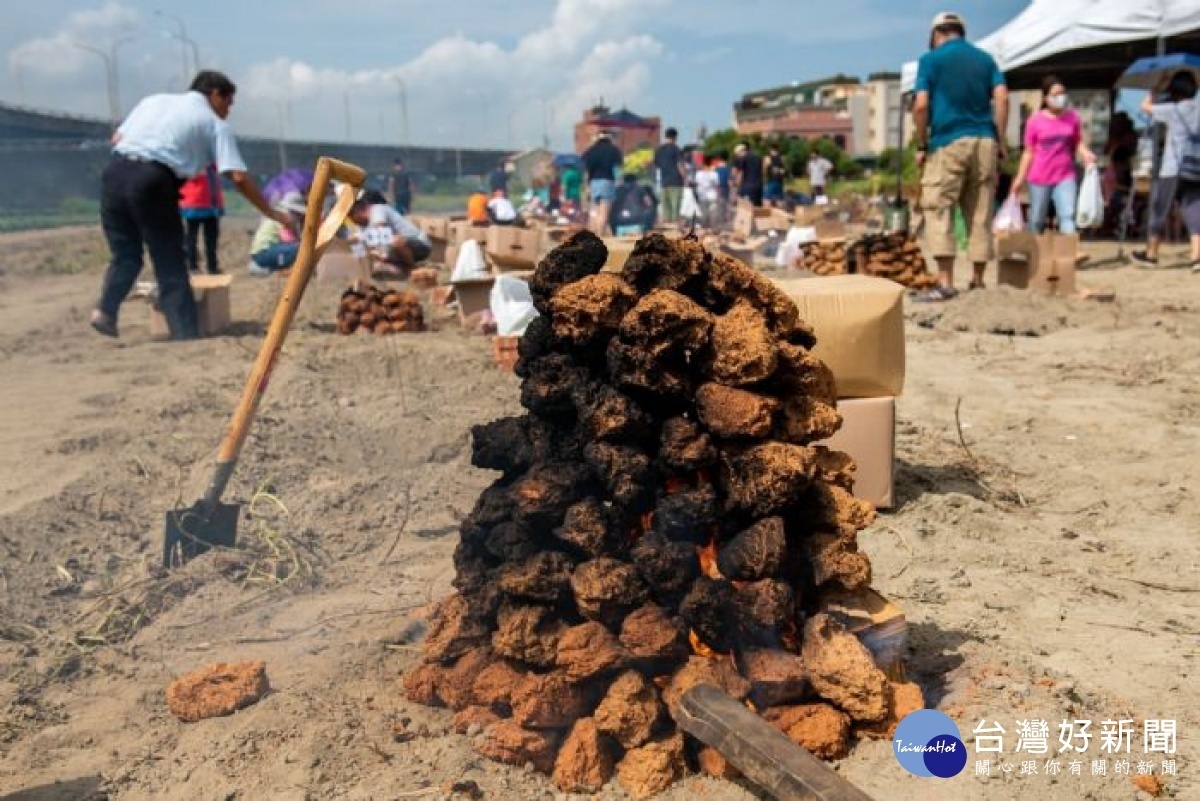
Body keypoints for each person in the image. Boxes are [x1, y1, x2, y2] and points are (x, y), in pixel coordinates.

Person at [91, 70, 290, 339]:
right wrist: (271, 212)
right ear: (215, 94)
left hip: (114, 174)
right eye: (228, 103)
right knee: (169, 259)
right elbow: (239, 176)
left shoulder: (153, 101)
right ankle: (184, 332)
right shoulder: (213, 123)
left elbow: (117, 139)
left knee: (125, 255)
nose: (227, 112)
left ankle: (105, 311)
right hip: (153, 180)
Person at [911, 11, 1008, 301]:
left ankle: (946, 281)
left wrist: (921, 143)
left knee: (939, 207)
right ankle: (977, 281)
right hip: (984, 140)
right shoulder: (985, 59)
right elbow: (1002, 97)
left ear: (936, 34)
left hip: (947, 140)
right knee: (979, 210)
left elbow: (920, 105)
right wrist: (1000, 141)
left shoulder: (931, 60)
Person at [1010, 76, 1096, 236]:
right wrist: (1020, 178)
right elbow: (1029, 152)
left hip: (1065, 176)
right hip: (1039, 177)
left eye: (1062, 93)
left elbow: (1077, 141)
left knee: (1067, 216)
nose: (1060, 98)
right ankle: (1033, 253)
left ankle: (1070, 253)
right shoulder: (1034, 121)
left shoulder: (1072, 118)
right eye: (1055, 94)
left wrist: (1085, 153)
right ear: (1045, 97)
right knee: (1036, 219)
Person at [1132, 70, 1200, 270]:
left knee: (1160, 209)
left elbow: (1145, 107)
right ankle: (1197, 255)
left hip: (1173, 168)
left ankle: (1151, 254)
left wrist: (1156, 87)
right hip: (1196, 168)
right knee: (1194, 209)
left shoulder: (1173, 109)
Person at [348, 196, 432, 278]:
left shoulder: (378, 210)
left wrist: (361, 238)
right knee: (382, 269)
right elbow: (360, 252)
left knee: (395, 241)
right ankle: (404, 271)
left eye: (351, 216)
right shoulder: (361, 226)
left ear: (357, 211)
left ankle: (413, 269)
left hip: (419, 245)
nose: (353, 222)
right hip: (393, 253)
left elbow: (381, 231)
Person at [178, 163, 224, 275]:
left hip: (212, 204)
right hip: (194, 204)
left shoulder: (212, 163)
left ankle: (212, 266)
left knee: (211, 238)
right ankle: (192, 266)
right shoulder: (192, 160)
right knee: (191, 237)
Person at [249, 192, 306, 275]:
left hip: (262, 252)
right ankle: (282, 269)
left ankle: (276, 268)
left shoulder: (278, 215)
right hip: (263, 252)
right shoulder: (281, 218)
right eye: (297, 214)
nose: (298, 217)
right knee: (297, 248)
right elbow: (287, 239)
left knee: (295, 248)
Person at [582, 130, 623, 208]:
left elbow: (586, 169)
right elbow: (617, 168)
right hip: (607, 181)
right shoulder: (614, 150)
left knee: (595, 210)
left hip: (594, 183)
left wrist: (586, 185)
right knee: (604, 211)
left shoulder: (591, 150)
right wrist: (619, 181)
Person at [654, 127, 687, 222]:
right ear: (675, 137)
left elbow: (656, 166)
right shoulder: (677, 149)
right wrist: (685, 178)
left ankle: (667, 228)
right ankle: (674, 228)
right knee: (675, 208)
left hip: (664, 182)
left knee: (666, 208)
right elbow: (680, 165)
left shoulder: (659, 150)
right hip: (676, 182)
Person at [732, 143, 764, 207]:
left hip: (747, 186)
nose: (738, 157)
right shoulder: (758, 156)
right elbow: (762, 170)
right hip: (759, 186)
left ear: (741, 151)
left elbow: (741, 173)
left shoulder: (743, 158)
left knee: (746, 208)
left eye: (738, 155)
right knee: (757, 207)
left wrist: (736, 185)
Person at [694, 155, 721, 229]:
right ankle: (713, 227)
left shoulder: (698, 174)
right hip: (712, 195)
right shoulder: (714, 174)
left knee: (703, 213)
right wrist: (719, 195)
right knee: (713, 213)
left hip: (702, 196)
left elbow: (697, 184)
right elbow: (717, 186)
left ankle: (704, 227)